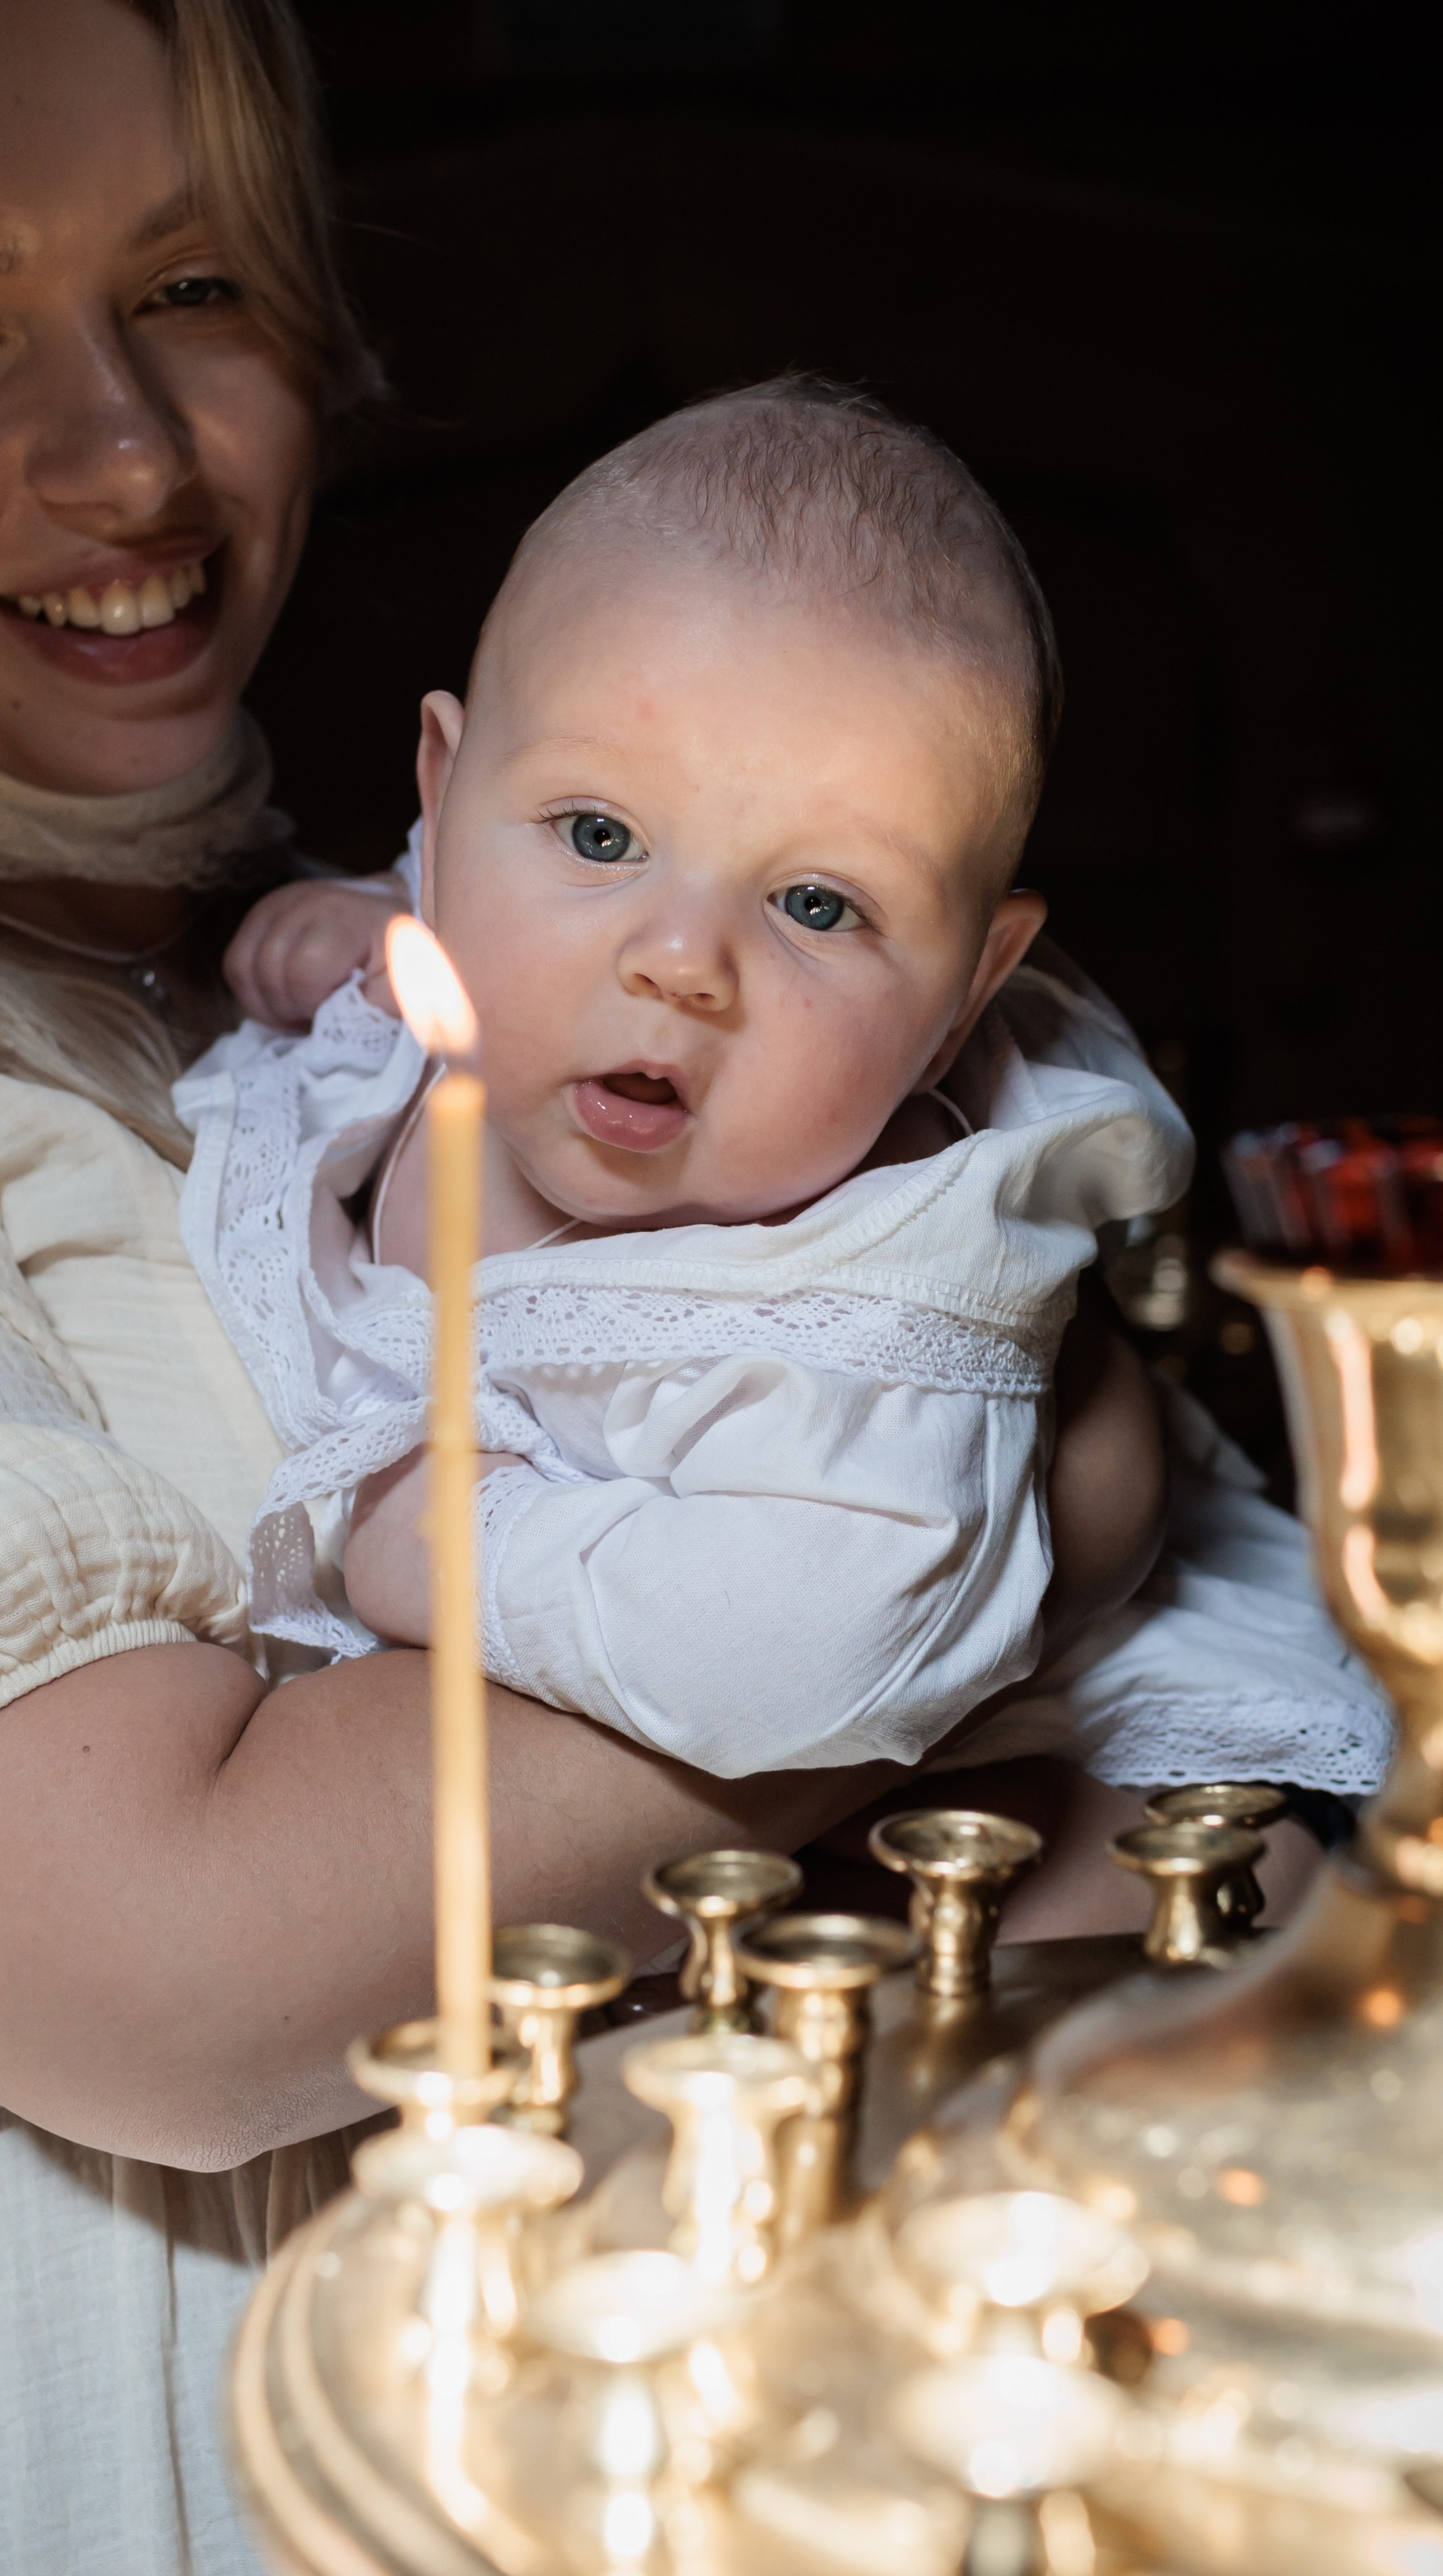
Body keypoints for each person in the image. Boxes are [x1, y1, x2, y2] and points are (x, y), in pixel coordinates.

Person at [0, 6, 908, 2576]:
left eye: (196, 286)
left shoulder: (443, 924)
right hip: (122, 2483)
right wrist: (966, 1536)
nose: (131, 460)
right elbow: (159, 1966)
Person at [177, 381, 1395, 1803]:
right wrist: (386, 911)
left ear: (961, 997)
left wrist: (451, 1542)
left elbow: (792, 1659)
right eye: (599, 831)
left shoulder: (874, 1326)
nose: (680, 961)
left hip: (1016, 1786)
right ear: (444, 798)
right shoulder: (475, 950)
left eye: (815, 905)